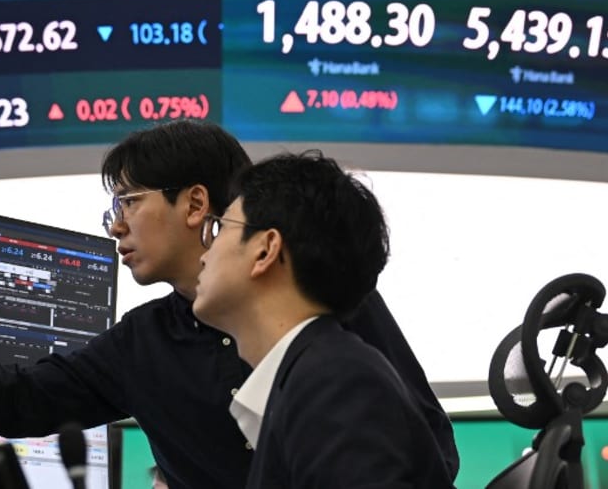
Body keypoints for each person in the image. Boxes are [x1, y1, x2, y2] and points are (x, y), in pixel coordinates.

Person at [0, 121, 458, 489]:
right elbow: (11, 401)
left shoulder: (324, 325)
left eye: (128, 202)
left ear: (197, 205)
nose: (115, 226)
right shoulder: (143, 343)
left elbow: (425, 447)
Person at [194, 151, 453, 488]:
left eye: (221, 228)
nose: (204, 254)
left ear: (265, 249)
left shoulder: (336, 383)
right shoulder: (315, 375)